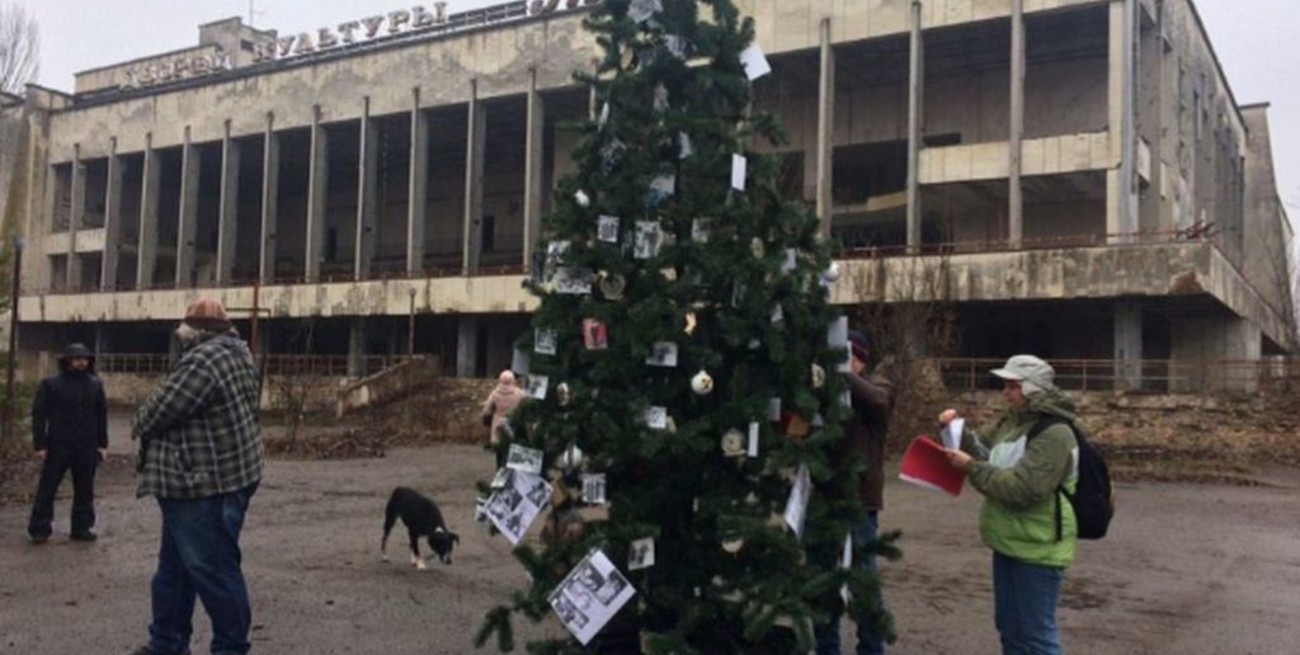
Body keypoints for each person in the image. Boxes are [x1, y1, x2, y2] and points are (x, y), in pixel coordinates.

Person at [129, 298, 263, 655]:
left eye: (184, 328)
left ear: (196, 330)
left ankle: (229, 648)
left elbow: (153, 414)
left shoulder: (205, 359)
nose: (180, 335)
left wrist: (140, 416)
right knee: (174, 571)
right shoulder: (238, 352)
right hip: (208, 479)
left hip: (203, 483)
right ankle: (167, 644)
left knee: (213, 569)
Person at [938, 355, 1079, 655]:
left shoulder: (1055, 433)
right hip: (1008, 541)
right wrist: (955, 432)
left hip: (1038, 548)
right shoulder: (1010, 421)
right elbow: (982, 450)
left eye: (1012, 386)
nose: (1005, 392)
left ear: (1032, 389)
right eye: (1005, 385)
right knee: (1011, 630)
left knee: (1036, 636)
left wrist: (971, 468)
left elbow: (1023, 489)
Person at [816, 330, 895, 655]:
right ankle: (825, 647)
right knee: (821, 579)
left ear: (860, 361)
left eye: (851, 358)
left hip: (859, 500)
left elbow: (879, 402)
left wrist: (842, 372)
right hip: (822, 497)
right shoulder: (825, 393)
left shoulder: (880, 386)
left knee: (864, 580)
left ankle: (871, 647)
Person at [27, 342, 109, 544]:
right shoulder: (51, 384)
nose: (81, 362)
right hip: (58, 445)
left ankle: (81, 528)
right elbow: (39, 415)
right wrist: (40, 445)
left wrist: (102, 444)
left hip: (87, 445)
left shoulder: (95, 385)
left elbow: (101, 416)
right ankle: (40, 528)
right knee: (48, 487)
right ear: (67, 361)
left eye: (84, 359)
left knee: (85, 490)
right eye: (76, 359)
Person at [480, 369, 525, 469]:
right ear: (513, 380)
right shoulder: (520, 394)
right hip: (514, 426)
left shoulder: (495, 393)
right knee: (514, 454)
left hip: (498, 427)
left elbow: (486, 411)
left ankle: (499, 475)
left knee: (500, 455)